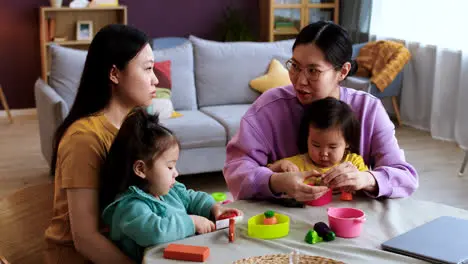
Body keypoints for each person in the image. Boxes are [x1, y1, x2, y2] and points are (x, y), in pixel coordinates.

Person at [223, 21, 418, 201]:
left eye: (313, 71)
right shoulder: (269, 108)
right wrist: (275, 181)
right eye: (295, 67)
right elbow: (236, 170)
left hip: (348, 220)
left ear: (342, 72)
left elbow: (405, 177)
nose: (300, 81)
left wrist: (366, 178)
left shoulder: (369, 110)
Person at [44, 24, 158, 264]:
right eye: (147, 69)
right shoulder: (83, 139)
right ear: (115, 74)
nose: (155, 79)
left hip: (128, 245)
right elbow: (85, 239)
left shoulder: (135, 121)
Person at [99, 108, 243, 262]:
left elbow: (192, 198)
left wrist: (215, 208)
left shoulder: (169, 191)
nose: (176, 173)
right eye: (169, 167)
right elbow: (155, 232)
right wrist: (192, 222)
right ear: (141, 169)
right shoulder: (129, 207)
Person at [267, 97, 368, 201]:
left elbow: (367, 183)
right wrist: (279, 166)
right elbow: (266, 174)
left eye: (332, 147)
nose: (324, 153)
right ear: (307, 139)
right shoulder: (298, 164)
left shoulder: (353, 163)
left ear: (347, 142)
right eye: (316, 145)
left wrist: (359, 180)